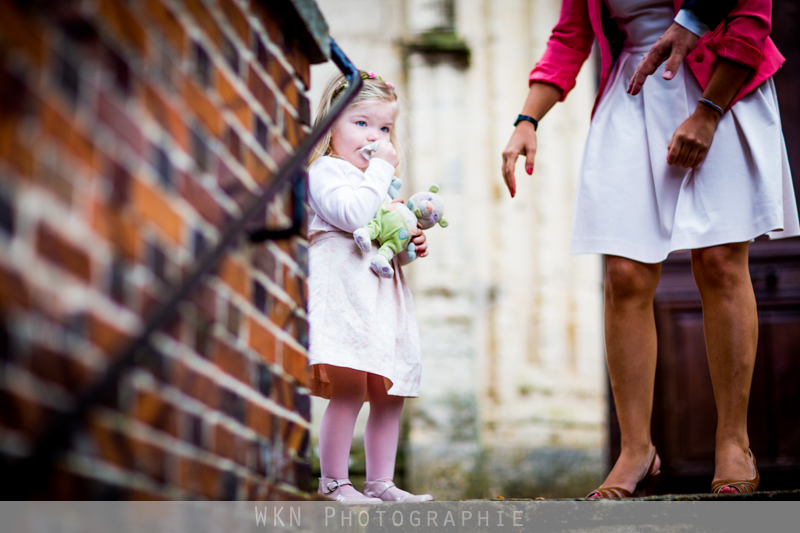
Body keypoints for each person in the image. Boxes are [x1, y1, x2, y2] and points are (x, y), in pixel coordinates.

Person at [502, 0, 799, 498]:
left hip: (722, 81)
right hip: (633, 92)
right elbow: (570, 36)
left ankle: (734, 442)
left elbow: (751, 13)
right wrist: (526, 119)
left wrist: (708, 112)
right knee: (624, 274)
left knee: (720, 261)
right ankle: (636, 450)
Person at [306, 71, 433, 502]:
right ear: (330, 126)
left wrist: (409, 243)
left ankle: (381, 482)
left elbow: (384, 240)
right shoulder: (326, 171)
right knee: (351, 388)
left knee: (387, 391)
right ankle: (333, 482)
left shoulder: (377, 184)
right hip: (344, 297)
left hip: (379, 301)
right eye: (361, 123)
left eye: (384, 128)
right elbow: (353, 216)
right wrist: (381, 169)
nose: (374, 138)